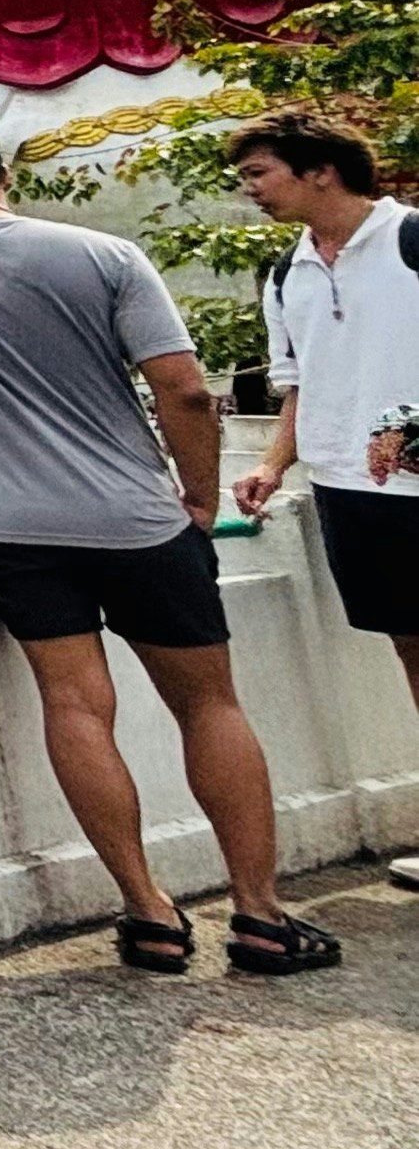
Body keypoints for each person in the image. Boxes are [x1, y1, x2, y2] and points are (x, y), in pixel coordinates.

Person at [0, 111, 336, 975]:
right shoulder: (104, 256)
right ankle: (258, 915)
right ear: (1, 173)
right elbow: (183, 390)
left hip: (4, 522)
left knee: (74, 705)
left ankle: (148, 913)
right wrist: (195, 496)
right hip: (133, 517)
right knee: (208, 706)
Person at [226, 111, 419, 895]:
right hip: (349, 488)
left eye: (258, 173)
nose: (249, 191)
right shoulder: (287, 272)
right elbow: (299, 384)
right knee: (410, 649)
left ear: (319, 170)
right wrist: (273, 465)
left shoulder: (408, 240)